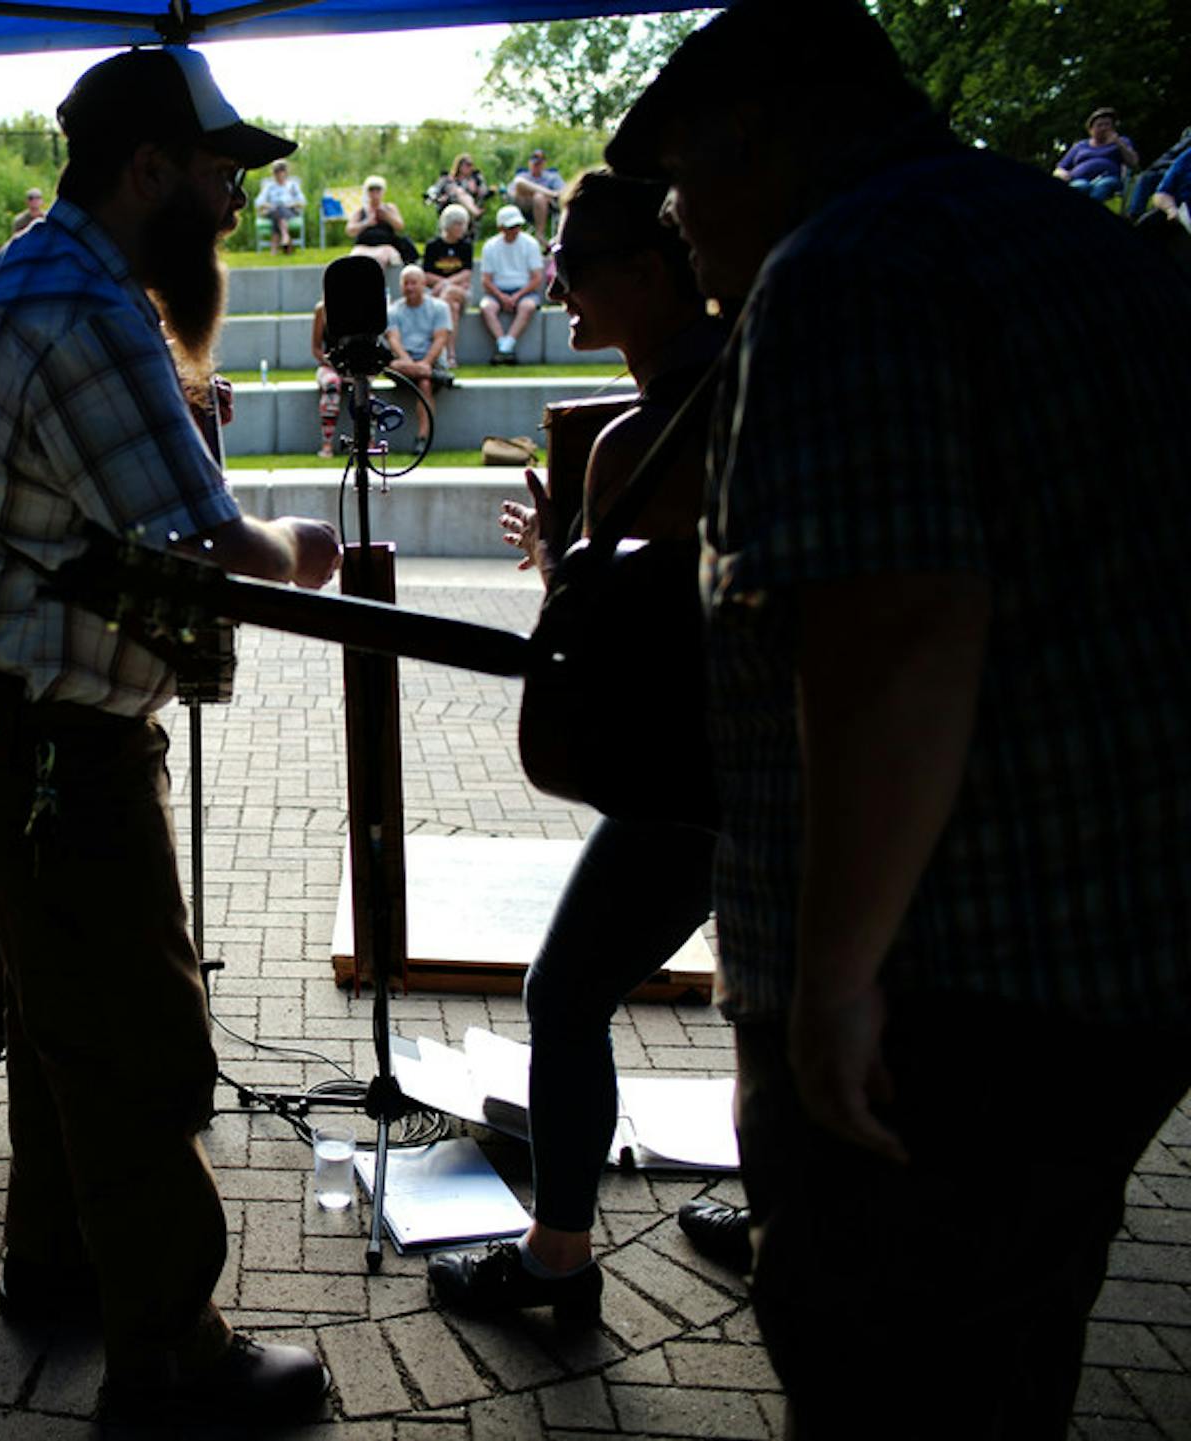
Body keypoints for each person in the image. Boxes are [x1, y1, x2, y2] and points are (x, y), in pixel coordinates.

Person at [604, 1, 1191, 1433]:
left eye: (681, 178)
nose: (675, 223)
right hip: (1119, 956)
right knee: (1009, 1346)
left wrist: (833, 979)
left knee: (889, 1366)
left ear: (764, 141)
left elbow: (895, 628)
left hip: (950, 991)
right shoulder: (1078, 248)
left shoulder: (846, 275)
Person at [0, 44, 340, 1427]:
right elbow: (212, 538)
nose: (234, 203)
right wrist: (303, 549)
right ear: (147, 169)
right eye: (219, 174)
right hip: (60, 751)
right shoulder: (90, 309)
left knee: (59, 1017)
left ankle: (54, 1264)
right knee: (144, 1041)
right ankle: (169, 1356)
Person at [427, 168, 733, 1325]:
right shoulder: (750, 384)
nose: (557, 290)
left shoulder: (642, 441)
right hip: (770, 767)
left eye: (577, 270)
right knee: (772, 1002)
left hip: (695, 777)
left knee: (565, 992)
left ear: (651, 274)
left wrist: (565, 570)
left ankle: (558, 1263)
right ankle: (785, 1218)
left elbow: (605, 652)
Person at [384, 266, 452, 442]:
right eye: (406, 283)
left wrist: (426, 363)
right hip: (404, 363)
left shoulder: (440, 307)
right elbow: (394, 340)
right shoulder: (393, 311)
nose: (409, 287)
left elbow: (440, 339)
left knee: (424, 383)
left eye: (414, 283)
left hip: (431, 360)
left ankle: (422, 437)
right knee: (393, 366)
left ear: (424, 284)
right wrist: (409, 362)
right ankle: (438, 377)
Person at [478, 204, 545, 362]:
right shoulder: (490, 246)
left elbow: (536, 278)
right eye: (510, 227)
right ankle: (503, 343)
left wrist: (517, 295)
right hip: (498, 291)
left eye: (517, 226)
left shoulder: (530, 244)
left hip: (525, 291)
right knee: (486, 307)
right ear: (501, 228)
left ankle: (506, 345)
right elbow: (486, 280)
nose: (514, 230)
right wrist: (502, 296)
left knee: (527, 306)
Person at [421, 203, 481, 364]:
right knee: (450, 307)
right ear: (448, 224)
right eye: (458, 224)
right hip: (442, 295)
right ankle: (449, 354)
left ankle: (441, 352)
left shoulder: (466, 246)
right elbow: (426, 274)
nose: (462, 228)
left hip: (459, 293)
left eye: (464, 224)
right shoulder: (433, 246)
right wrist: (443, 284)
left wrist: (445, 284)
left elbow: (467, 273)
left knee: (448, 295)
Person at [1054, 107, 1139, 202]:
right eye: (1099, 125)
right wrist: (1063, 175)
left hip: (1108, 178)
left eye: (1107, 125)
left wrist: (1118, 143)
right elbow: (1059, 169)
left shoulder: (1122, 141)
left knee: (1102, 186)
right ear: (1091, 130)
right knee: (1080, 187)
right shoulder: (1080, 146)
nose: (1103, 128)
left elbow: (1133, 163)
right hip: (1079, 179)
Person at [347, 175, 415, 267]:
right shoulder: (360, 211)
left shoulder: (390, 208)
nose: (375, 193)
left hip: (385, 246)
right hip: (363, 247)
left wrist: (387, 216)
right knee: (355, 259)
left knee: (381, 258)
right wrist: (366, 223)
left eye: (378, 189)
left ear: (383, 191)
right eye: (371, 190)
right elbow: (350, 230)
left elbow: (400, 226)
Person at [309, 298, 340, 458]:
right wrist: (331, 362)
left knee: (363, 388)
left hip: (353, 366)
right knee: (331, 384)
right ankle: (327, 444)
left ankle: (368, 443)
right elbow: (316, 348)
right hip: (328, 364)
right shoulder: (322, 309)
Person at [510, 149, 565, 240]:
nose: (537, 166)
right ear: (529, 163)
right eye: (535, 163)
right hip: (523, 205)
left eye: (539, 163)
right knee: (519, 182)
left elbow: (562, 191)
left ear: (544, 163)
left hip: (545, 207)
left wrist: (540, 195)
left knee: (539, 197)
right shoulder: (523, 175)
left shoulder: (552, 177)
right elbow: (512, 192)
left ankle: (540, 235)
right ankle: (548, 193)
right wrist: (549, 193)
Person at [255, 159, 304, 252]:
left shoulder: (292, 185)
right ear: (274, 174)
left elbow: (302, 201)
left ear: (286, 173)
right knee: (278, 210)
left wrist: (291, 204)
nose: (279, 175)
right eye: (276, 172)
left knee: (279, 212)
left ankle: (274, 248)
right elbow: (258, 202)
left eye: (281, 172)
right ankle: (285, 237)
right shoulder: (269, 186)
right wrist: (269, 205)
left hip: (290, 210)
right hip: (272, 210)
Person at [432, 152, 491, 221]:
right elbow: (434, 191)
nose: (471, 167)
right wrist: (440, 198)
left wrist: (477, 189)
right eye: (468, 165)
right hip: (450, 210)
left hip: (468, 215)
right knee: (458, 191)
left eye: (472, 165)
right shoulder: (447, 179)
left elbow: (484, 193)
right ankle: (475, 211)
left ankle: (475, 211)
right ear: (460, 166)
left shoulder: (476, 179)